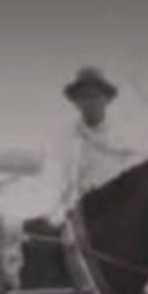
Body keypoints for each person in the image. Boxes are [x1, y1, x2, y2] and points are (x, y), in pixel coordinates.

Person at [40, 66, 139, 228]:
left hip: (117, 213)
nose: (90, 102)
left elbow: (133, 181)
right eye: (84, 97)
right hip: (78, 215)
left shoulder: (123, 137)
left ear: (106, 99)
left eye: (95, 96)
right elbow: (58, 182)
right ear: (76, 102)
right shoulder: (66, 137)